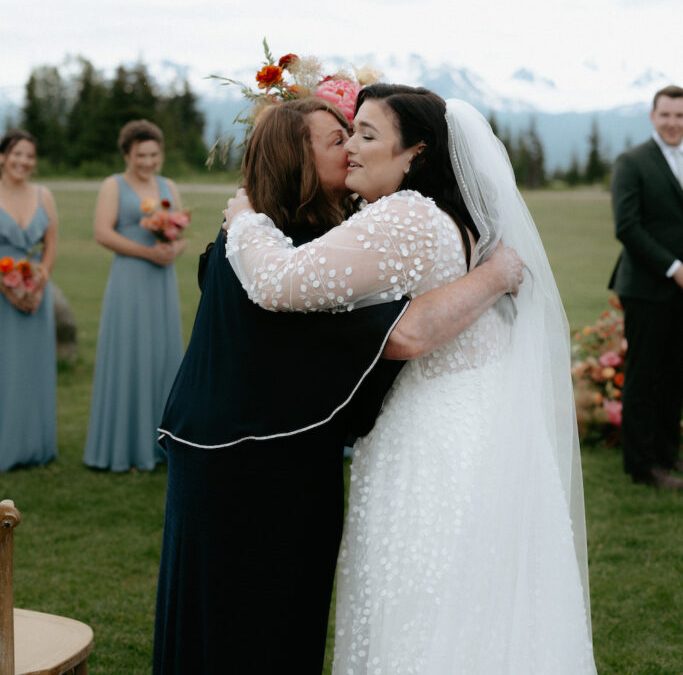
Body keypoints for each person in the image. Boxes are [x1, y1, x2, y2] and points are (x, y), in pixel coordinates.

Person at [226, 85, 596, 674]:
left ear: (415, 156)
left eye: (367, 136)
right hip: (478, 420)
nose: (349, 146)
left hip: (436, 436)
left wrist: (246, 220)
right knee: (474, 603)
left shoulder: (408, 215)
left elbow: (281, 284)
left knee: (423, 601)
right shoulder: (449, 216)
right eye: (350, 132)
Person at [153, 98, 523, 675]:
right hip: (245, 465)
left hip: (266, 453)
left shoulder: (286, 236)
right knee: (239, 624)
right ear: (296, 160)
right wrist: (494, 277)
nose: (351, 146)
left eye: (358, 135)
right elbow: (405, 332)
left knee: (266, 620)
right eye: (336, 140)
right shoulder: (275, 248)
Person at [83, 119, 185, 472]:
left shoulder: (167, 184)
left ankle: (161, 444)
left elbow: (180, 229)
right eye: (141, 154)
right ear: (127, 154)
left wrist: (175, 248)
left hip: (162, 281)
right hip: (129, 279)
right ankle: (123, 447)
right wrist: (148, 253)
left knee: (162, 355)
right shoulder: (114, 185)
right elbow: (102, 233)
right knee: (129, 353)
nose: (148, 161)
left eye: (154, 154)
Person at [609, 84, 683, 489]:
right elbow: (627, 227)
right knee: (644, 375)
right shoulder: (632, 161)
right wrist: (674, 267)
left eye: (680, 116)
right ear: (654, 117)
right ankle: (642, 465)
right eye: (666, 115)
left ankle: (668, 453)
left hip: (681, 291)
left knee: (675, 375)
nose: (673, 123)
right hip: (646, 287)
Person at [0, 129, 58, 471]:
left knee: (31, 369)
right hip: (2, 291)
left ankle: (33, 445)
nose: (24, 161)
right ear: (3, 156)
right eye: (17, 154)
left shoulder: (44, 194)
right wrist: (8, 286)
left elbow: (51, 245)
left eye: (30, 156)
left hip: (35, 291)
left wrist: (39, 280)